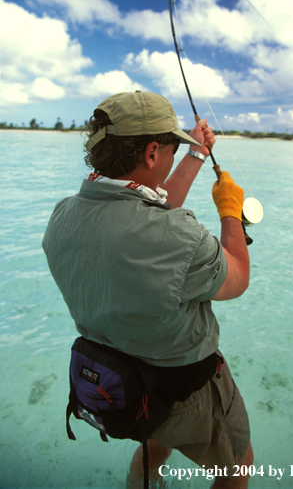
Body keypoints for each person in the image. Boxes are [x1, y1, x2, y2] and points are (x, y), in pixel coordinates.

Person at [42, 91, 253, 488]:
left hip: (129, 385)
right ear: (153, 152)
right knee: (238, 466)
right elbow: (237, 277)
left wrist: (195, 154)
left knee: (155, 446)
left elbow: (144, 216)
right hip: (187, 390)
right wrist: (231, 214)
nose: (174, 155)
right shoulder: (178, 238)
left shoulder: (61, 217)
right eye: (174, 148)